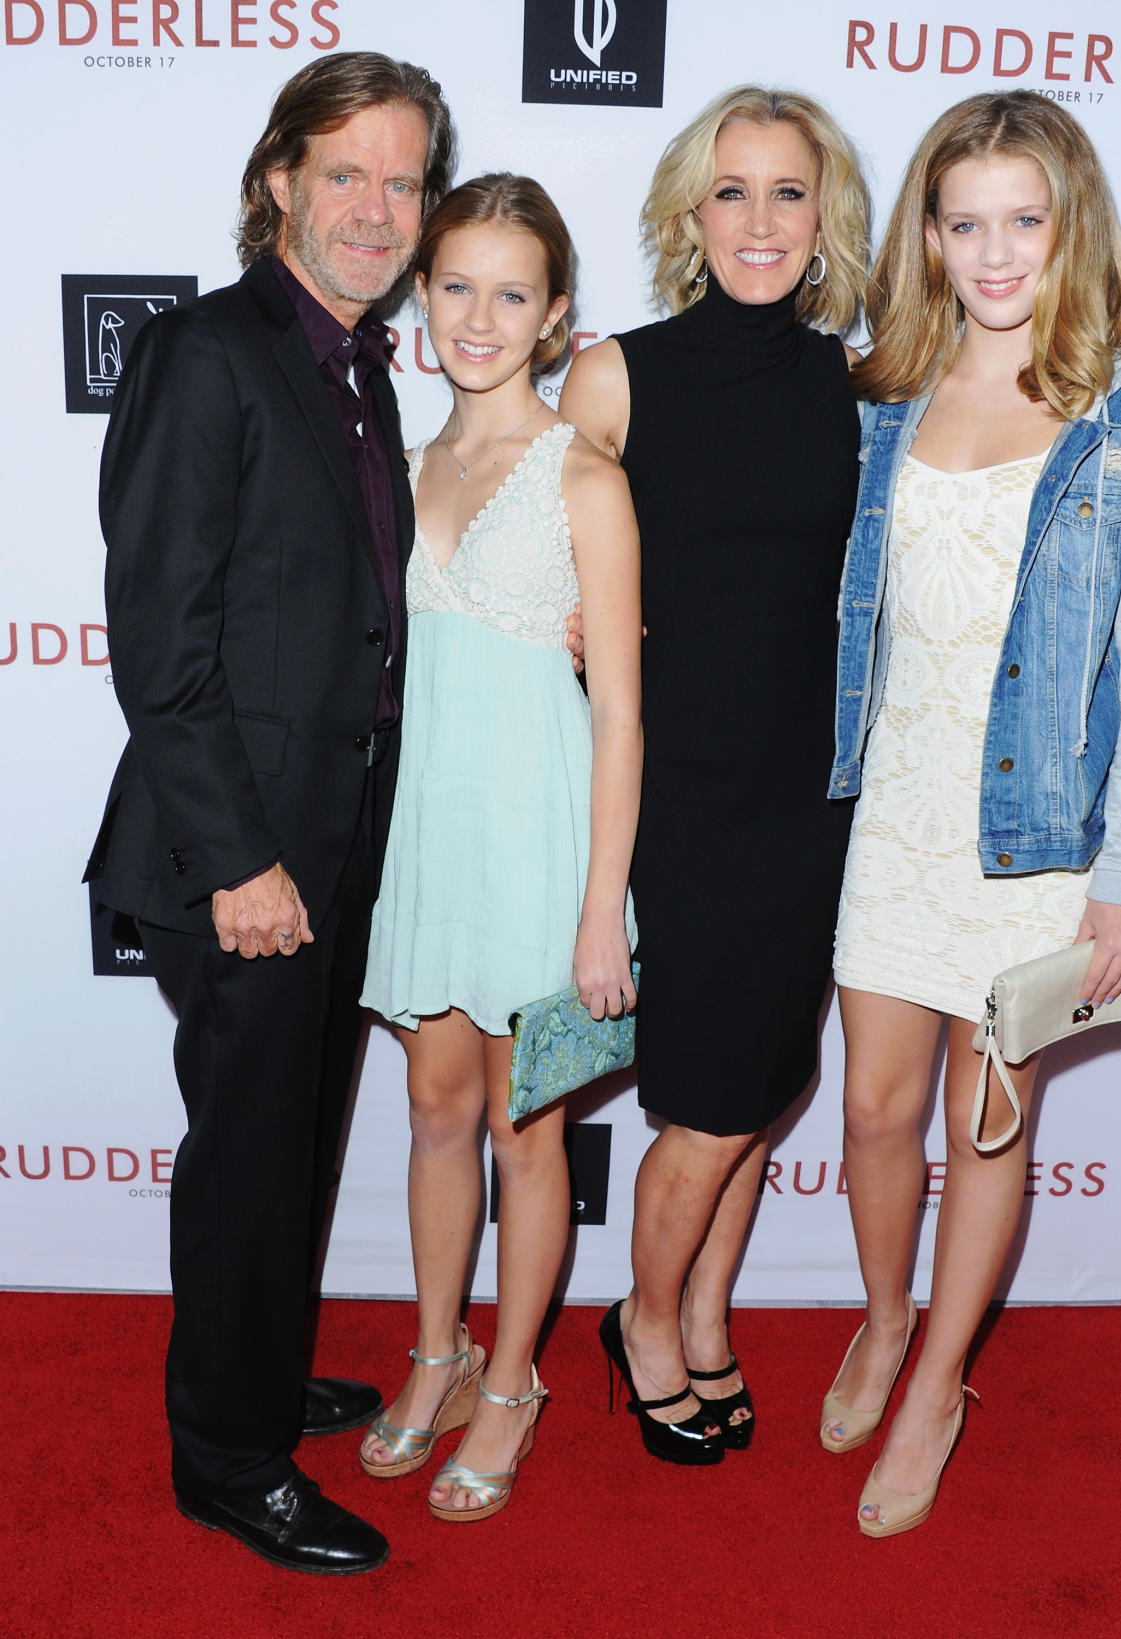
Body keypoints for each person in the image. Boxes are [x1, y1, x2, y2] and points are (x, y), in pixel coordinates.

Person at [82, 53, 454, 1574]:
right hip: (235, 851)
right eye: (347, 172)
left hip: (334, 839)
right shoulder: (209, 352)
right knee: (247, 1156)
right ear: (281, 181)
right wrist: (241, 860)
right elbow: (157, 642)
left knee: (291, 1147)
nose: (378, 207)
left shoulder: (355, 367)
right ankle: (229, 1461)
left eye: (405, 179)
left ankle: (252, 1372)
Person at [824, 90, 1121, 1537]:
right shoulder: (877, 397)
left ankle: (931, 1385)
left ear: (1068, 229)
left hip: (1035, 835)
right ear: (926, 232)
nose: (993, 253)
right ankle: (878, 1311)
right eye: (964, 221)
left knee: (984, 1126)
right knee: (869, 1109)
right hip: (883, 811)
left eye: (1021, 222)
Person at [560, 86, 869, 1462]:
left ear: (823, 218)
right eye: (731, 192)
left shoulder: (853, 383)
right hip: (679, 788)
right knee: (708, 1095)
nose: (760, 220)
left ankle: (702, 1322)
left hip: (812, 790)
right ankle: (638, 1320)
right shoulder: (616, 374)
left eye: (787, 192)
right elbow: (524, 556)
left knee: (766, 1085)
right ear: (692, 214)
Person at [357, 174, 642, 1519]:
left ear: (555, 317)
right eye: (455, 285)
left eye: (510, 293)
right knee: (432, 1113)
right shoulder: (403, 464)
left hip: (542, 849)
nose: (478, 316)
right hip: (431, 838)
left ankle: (515, 1379)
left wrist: (600, 911)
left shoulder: (585, 474)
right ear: (421, 296)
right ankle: (438, 1353)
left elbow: (624, 713)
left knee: (528, 1142)